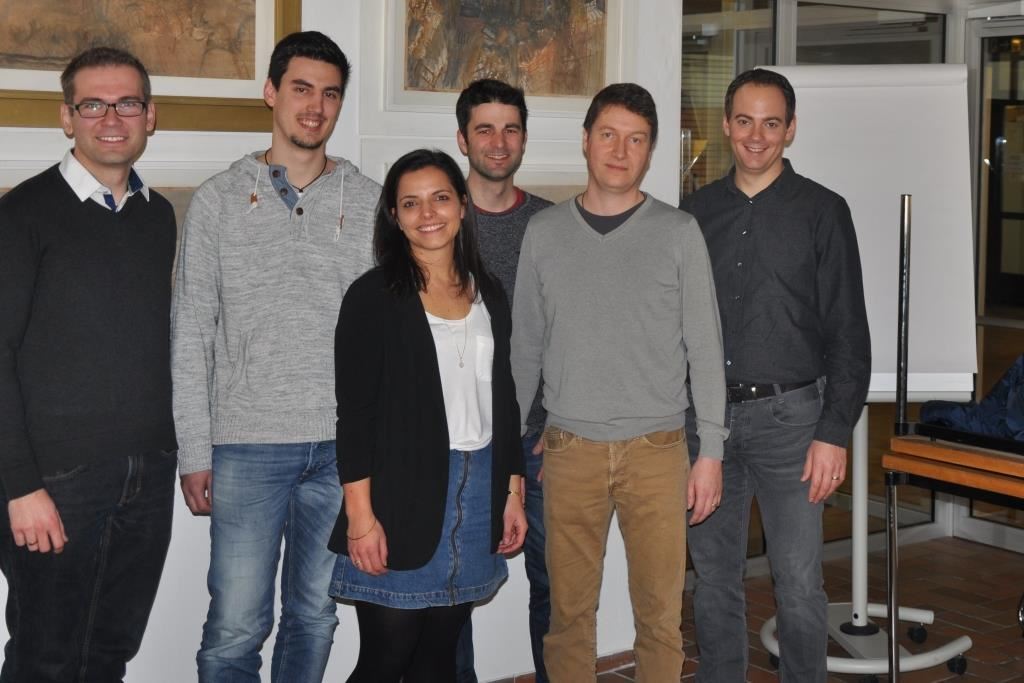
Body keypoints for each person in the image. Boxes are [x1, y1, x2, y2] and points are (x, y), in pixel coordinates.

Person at [171, 31, 379, 681]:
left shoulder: (371, 203)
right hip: (247, 445)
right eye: (301, 89)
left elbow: (389, 335)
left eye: (330, 94)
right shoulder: (217, 200)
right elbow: (191, 330)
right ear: (271, 92)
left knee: (315, 615)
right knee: (235, 627)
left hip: (342, 449)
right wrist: (194, 449)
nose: (315, 107)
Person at [511, 83, 728, 682]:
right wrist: (509, 453)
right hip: (569, 451)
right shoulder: (545, 233)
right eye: (608, 135)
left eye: (636, 140)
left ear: (650, 152)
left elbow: (706, 349)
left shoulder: (679, 233)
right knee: (568, 617)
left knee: (660, 619)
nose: (620, 150)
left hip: (658, 452)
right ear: (586, 141)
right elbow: (524, 351)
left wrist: (711, 452)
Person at [679, 68, 870, 682]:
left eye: (770, 123)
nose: (755, 136)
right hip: (708, 428)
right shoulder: (694, 215)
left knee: (799, 583)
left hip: (795, 426)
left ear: (790, 129)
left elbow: (849, 332)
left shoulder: (823, 212)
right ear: (726, 125)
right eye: (744, 121)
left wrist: (833, 432)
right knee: (714, 580)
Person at [0, 46, 177, 681]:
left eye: (127, 103)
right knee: (45, 659)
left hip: (147, 475)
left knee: (109, 653)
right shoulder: (22, 214)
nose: (111, 118)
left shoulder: (158, 216)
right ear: (66, 117)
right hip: (56, 480)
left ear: (149, 116)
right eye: (93, 104)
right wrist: (20, 488)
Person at [328, 148, 527, 682]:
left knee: (438, 658)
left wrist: (512, 492)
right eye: (411, 203)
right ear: (394, 217)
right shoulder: (372, 297)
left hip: (478, 489)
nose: (428, 213)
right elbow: (355, 416)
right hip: (399, 494)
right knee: (385, 659)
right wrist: (361, 518)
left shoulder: (489, 292)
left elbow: (505, 400)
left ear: (462, 204)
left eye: (440, 198)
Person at [452, 78, 553, 683]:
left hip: (539, 441)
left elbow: (572, 330)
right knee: (450, 592)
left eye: (510, 128)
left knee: (556, 588)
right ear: (462, 139)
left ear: (523, 139)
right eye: (484, 129)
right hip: (459, 441)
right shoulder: (439, 219)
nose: (498, 141)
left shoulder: (551, 224)